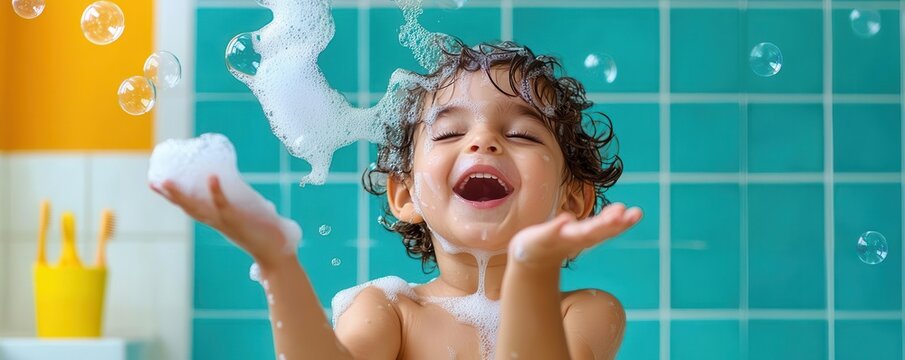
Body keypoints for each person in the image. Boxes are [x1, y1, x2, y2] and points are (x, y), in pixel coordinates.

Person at [151, 39, 643, 360]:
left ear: (571, 201)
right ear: (405, 195)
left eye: (522, 134)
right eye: (450, 131)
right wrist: (278, 262)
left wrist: (530, 269)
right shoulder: (391, 310)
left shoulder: (586, 312)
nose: (482, 142)